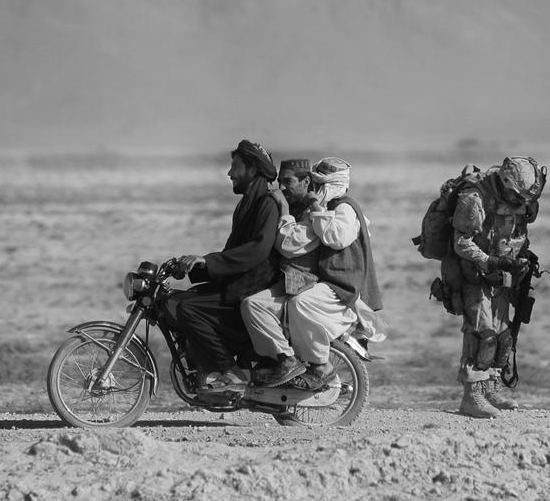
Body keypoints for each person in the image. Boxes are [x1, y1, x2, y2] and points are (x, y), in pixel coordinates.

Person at [244, 157, 385, 391]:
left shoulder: (343, 209)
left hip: (340, 287)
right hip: (318, 284)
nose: (315, 190)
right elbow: (291, 241)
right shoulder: (322, 210)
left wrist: (301, 209)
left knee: (301, 304)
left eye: (318, 185)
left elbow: (331, 238)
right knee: (252, 305)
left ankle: (321, 368)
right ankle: (283, 360)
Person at [164, 139, 281, 396]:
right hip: (237, 285)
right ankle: (205, 369)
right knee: (176, 300)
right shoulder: (246, 204)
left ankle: (230, 371)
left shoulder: (267, 204)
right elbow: (230, 254)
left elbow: (256, 252)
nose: (229, 173)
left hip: (251, 288)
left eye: (235, 167)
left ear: (252, 169)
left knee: (188, 309)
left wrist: (209, 260)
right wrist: (194, 269)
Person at [450, 156, 547, 418]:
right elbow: (460, 242)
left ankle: (491, 387)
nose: (521, 203)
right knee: (483, 333)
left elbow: (516, 233)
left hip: (503, 273)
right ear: (505, 184)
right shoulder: (474, 198)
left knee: (503, 335)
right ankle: (472, 396)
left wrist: (519, 258)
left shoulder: (520, 200)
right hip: (475, 272)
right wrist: (489, 261)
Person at [239, 158, 317, 387]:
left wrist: (283, 208)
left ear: (306, 181)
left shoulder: (311, 210)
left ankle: (286, 358)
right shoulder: (297, 206)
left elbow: (289, 245)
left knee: (251, 305)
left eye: (289, 181)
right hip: (286, 279)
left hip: (302, 281)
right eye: (280, 181)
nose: (282, 187)